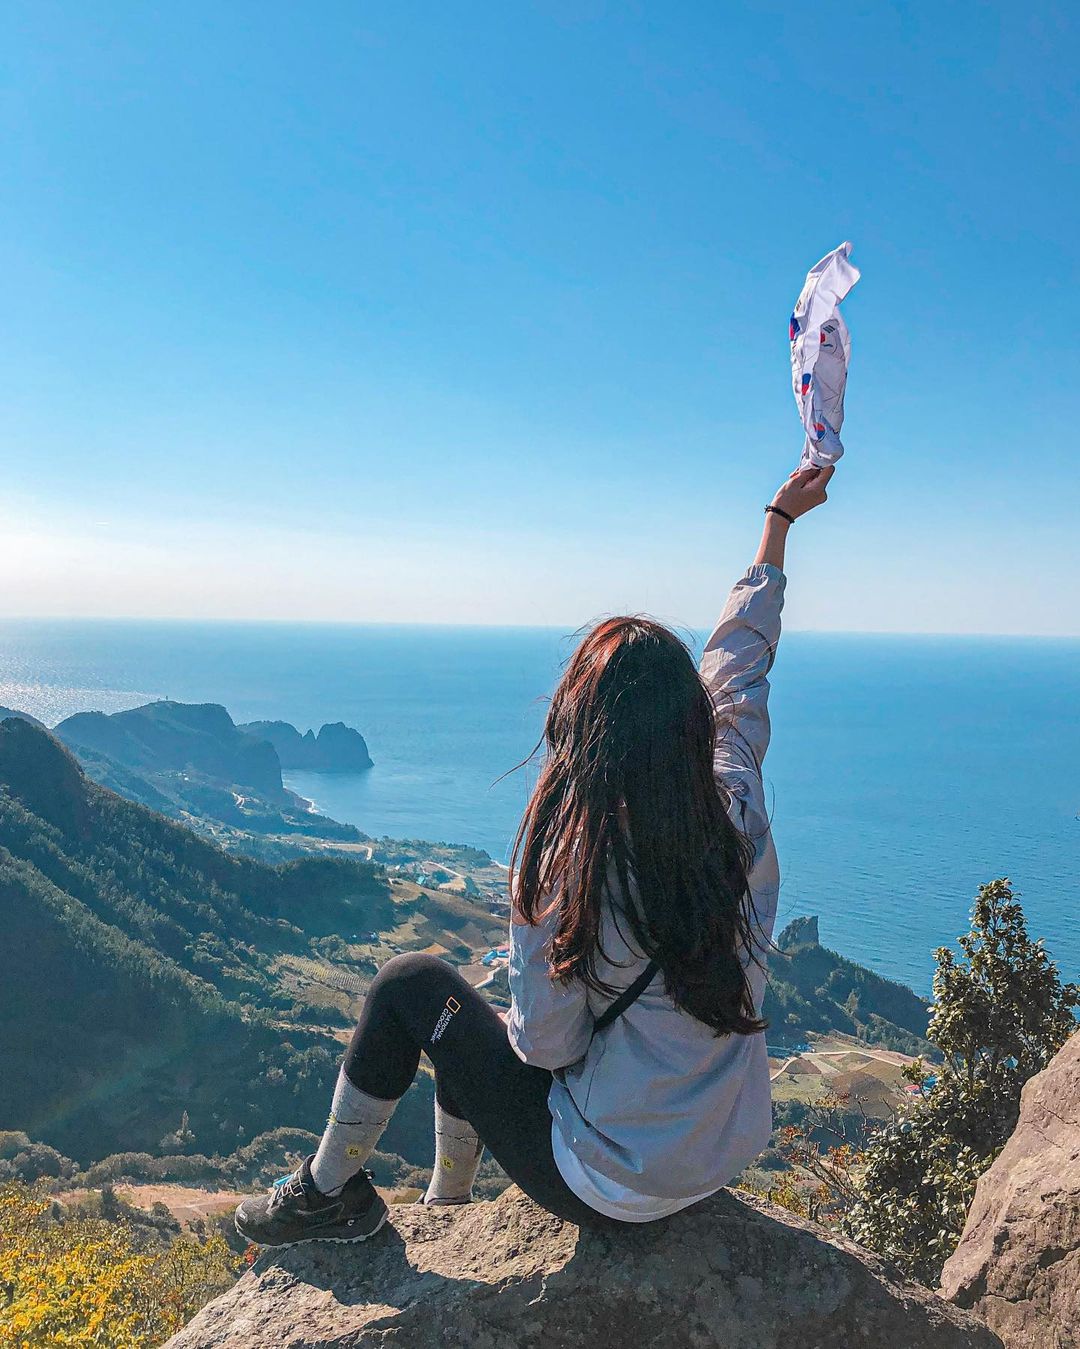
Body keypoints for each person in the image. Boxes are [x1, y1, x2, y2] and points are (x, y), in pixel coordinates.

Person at [235, 466, 833, 1246]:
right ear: (692, 726)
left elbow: (546, 1045)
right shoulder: (736, 805)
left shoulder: (569, 867)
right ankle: (449, 1204)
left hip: (612, 1182)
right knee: (468, 1022)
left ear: (583, 729)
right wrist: (778, 521)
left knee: (412, 985)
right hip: (718, 1152)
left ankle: (326, 1193)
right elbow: (741, 667)